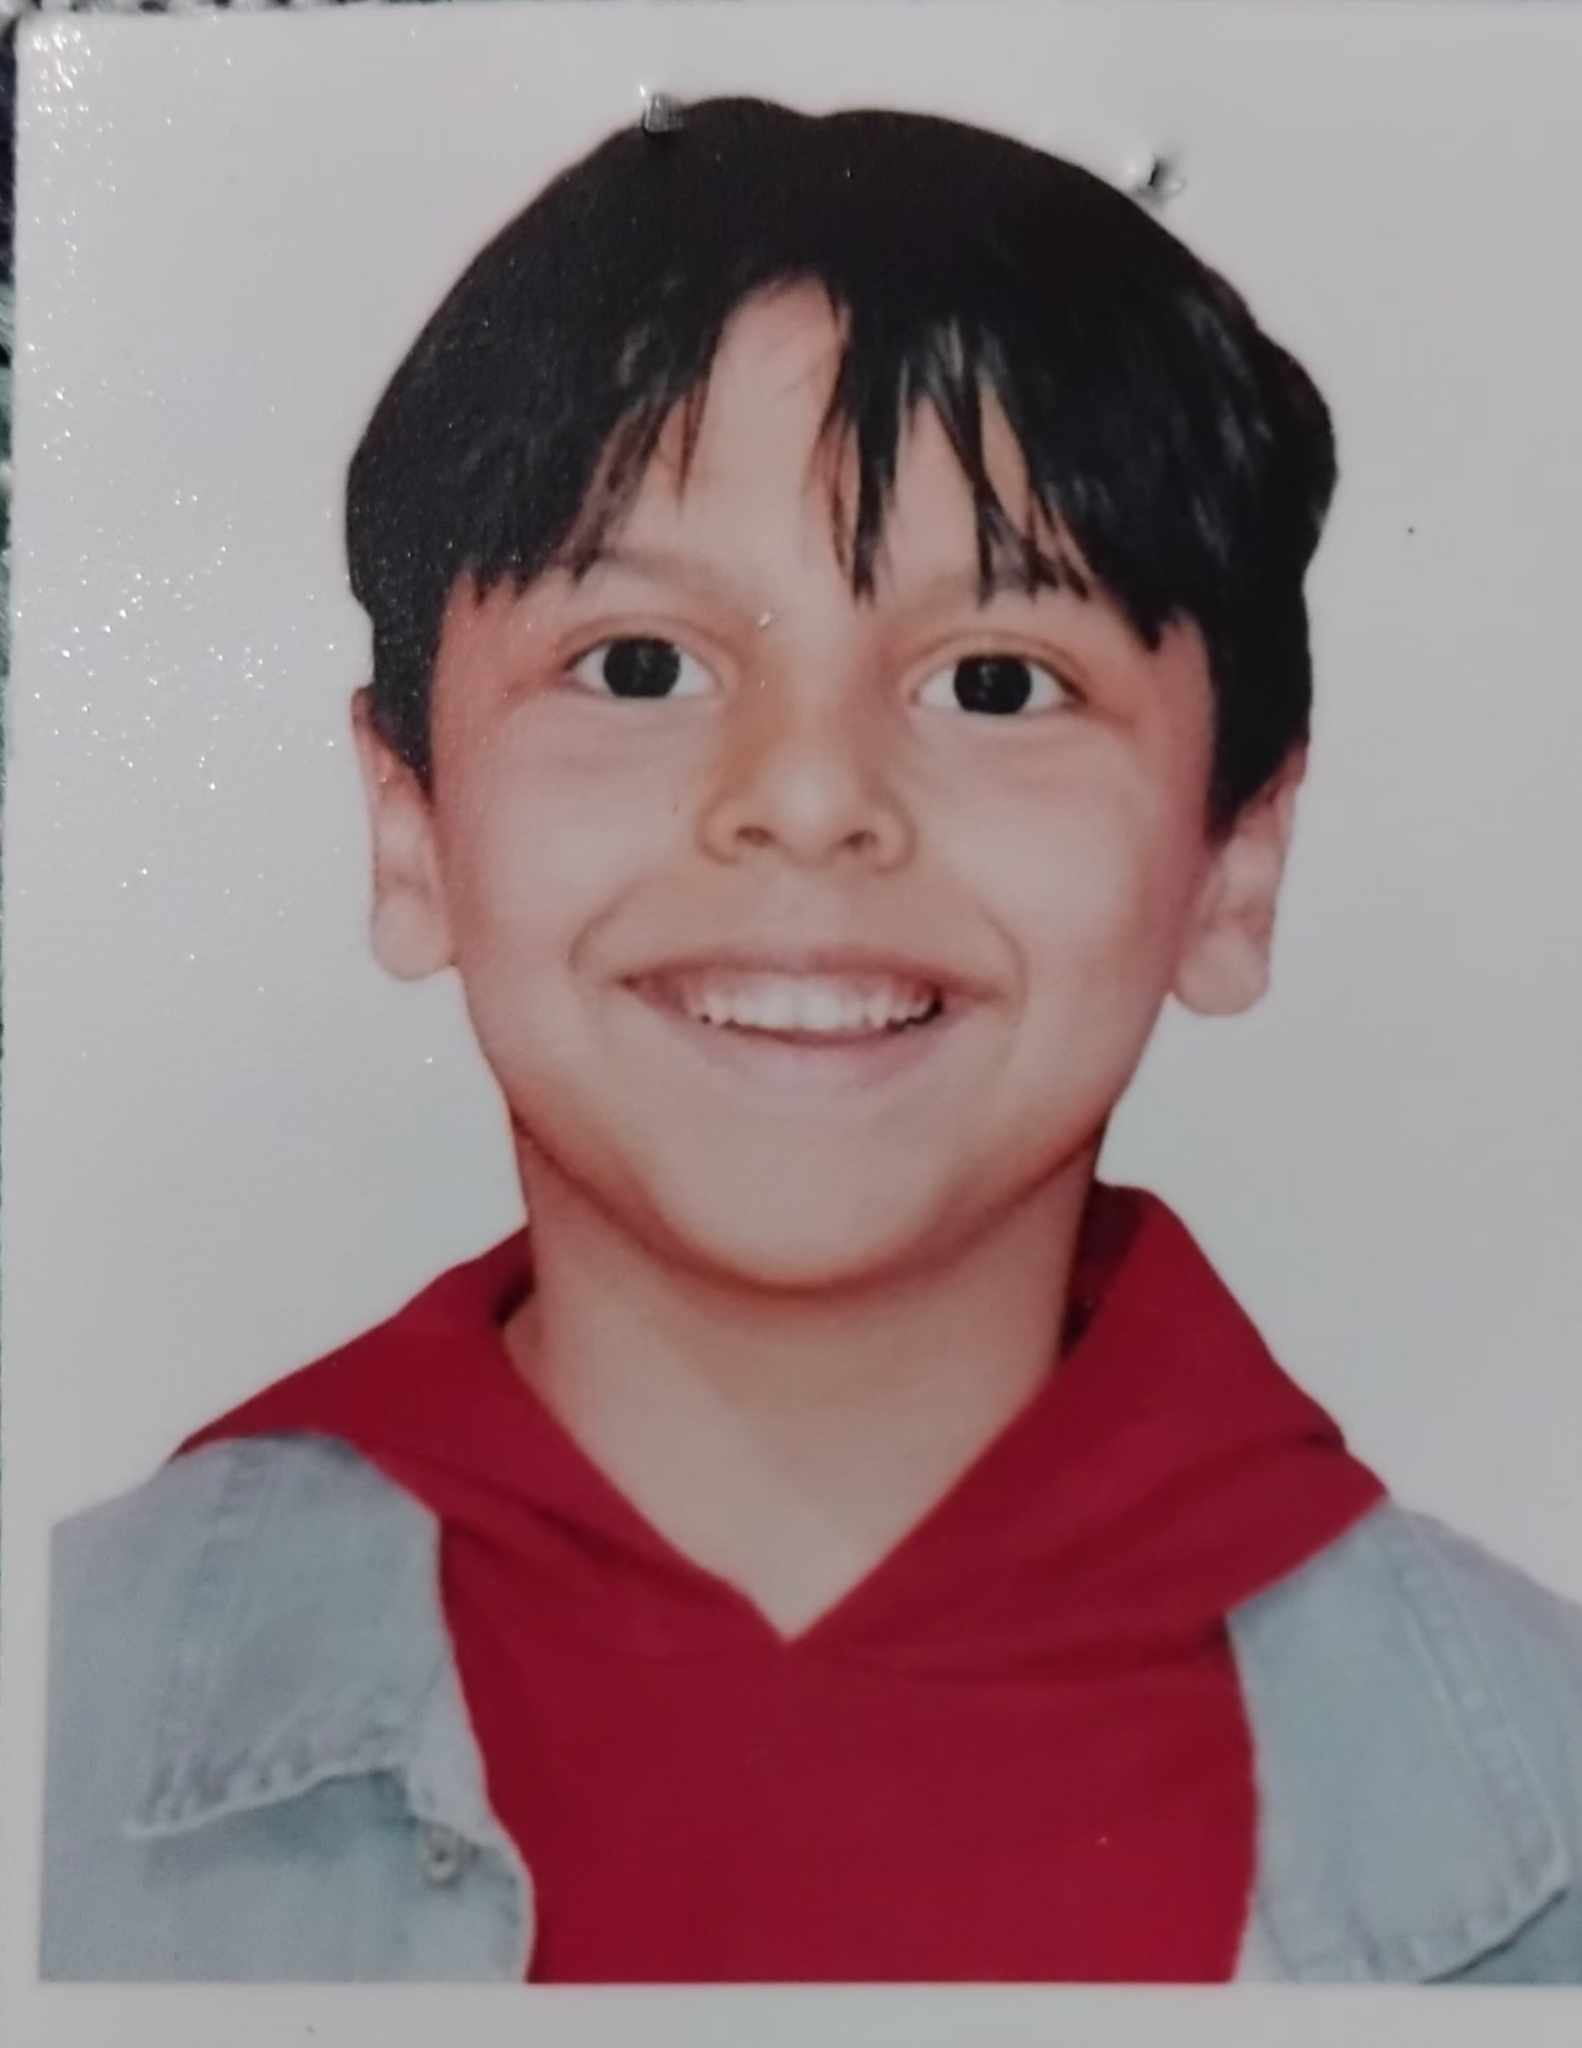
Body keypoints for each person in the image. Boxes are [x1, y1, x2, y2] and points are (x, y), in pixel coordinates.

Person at [40, 97, 1582, 1985]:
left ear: (1236, 862)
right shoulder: (65, 1711)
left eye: (995, 682)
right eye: (638, 665)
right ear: (408, 824)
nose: (806, 797)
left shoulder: (1536, 1783)